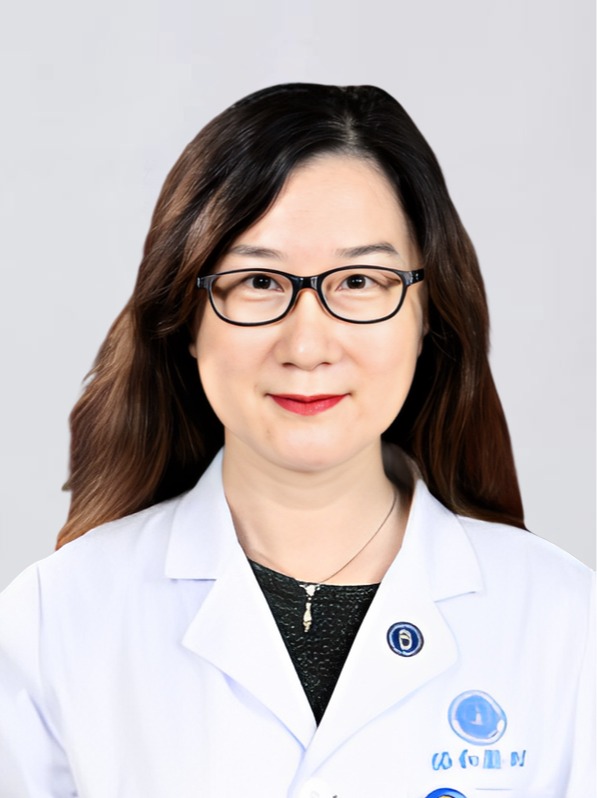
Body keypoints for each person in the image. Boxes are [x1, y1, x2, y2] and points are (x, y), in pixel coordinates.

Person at [0, 83, 593, 798]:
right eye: (258, 280)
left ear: (427, 315)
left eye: (360, 280)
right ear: (185, 318)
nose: (307, 345)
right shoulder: (55, 620)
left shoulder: (565, 622)